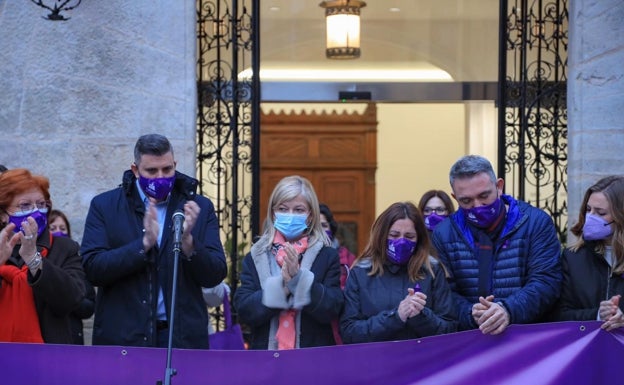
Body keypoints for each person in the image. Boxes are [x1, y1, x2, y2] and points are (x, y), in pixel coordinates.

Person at [81, 134, 227, 349]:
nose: (160, 177)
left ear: (175, 165)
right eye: (151, 171)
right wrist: (143, 245)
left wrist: (188, 243)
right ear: (135, 169)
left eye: (167, 170)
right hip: (125, 338)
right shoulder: (105, 206)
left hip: (181, 338)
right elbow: (92, 269)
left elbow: (215, 273)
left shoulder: (199, 207)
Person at [432, 155, 561, 334]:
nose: (477, 206)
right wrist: (471, 313)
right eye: (466, 201)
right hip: (470, 340)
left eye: (484, 196)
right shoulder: (443, 234)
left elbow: (547, 282)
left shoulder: (536, 223)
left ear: (499, 186)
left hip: (527, 339)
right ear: (455, 197)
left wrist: (507, 310)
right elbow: (443, 293)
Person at [234, 175, 343, 350]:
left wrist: (299, 280)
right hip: (267, 359)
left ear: (310, 215)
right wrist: (283, 286)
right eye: (283, 209)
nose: (290, 215)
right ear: (273, 213)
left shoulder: (327, 255)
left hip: (312, 359)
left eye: (299, 210)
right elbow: (245, 311)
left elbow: (332, 308)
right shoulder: (257, 255)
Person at [340, 202, 457, 343]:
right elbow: (349, 331)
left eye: (409, 236)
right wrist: (396, 316)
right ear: (381, 235)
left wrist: (421, 315)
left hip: (422, 361)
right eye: (394, 235)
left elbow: (450, 329)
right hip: (377, 361)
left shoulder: (432, 271)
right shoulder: (360, 272)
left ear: (419, 238)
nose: (401, 242)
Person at [0, 168, 85, 343]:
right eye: (25, 205)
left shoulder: (64, 248)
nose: (36, 212)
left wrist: (34, 260)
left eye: (41, 204)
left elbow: (72, 299)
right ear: (3, 215)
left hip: (48, 358)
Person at [550, 176, 624, 330]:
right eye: (588, 210)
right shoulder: (573, 258)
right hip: (589, 350)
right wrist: (597, 315)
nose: (590, 218)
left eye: (601, 213)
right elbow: (559, 315)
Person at [48, 209, 96, 345]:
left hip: (72, 338)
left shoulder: (77, 265)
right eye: (53, 228)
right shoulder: (38, 263)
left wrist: (69, 297)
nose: (59, 232)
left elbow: (89, 307)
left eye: (63, 228)